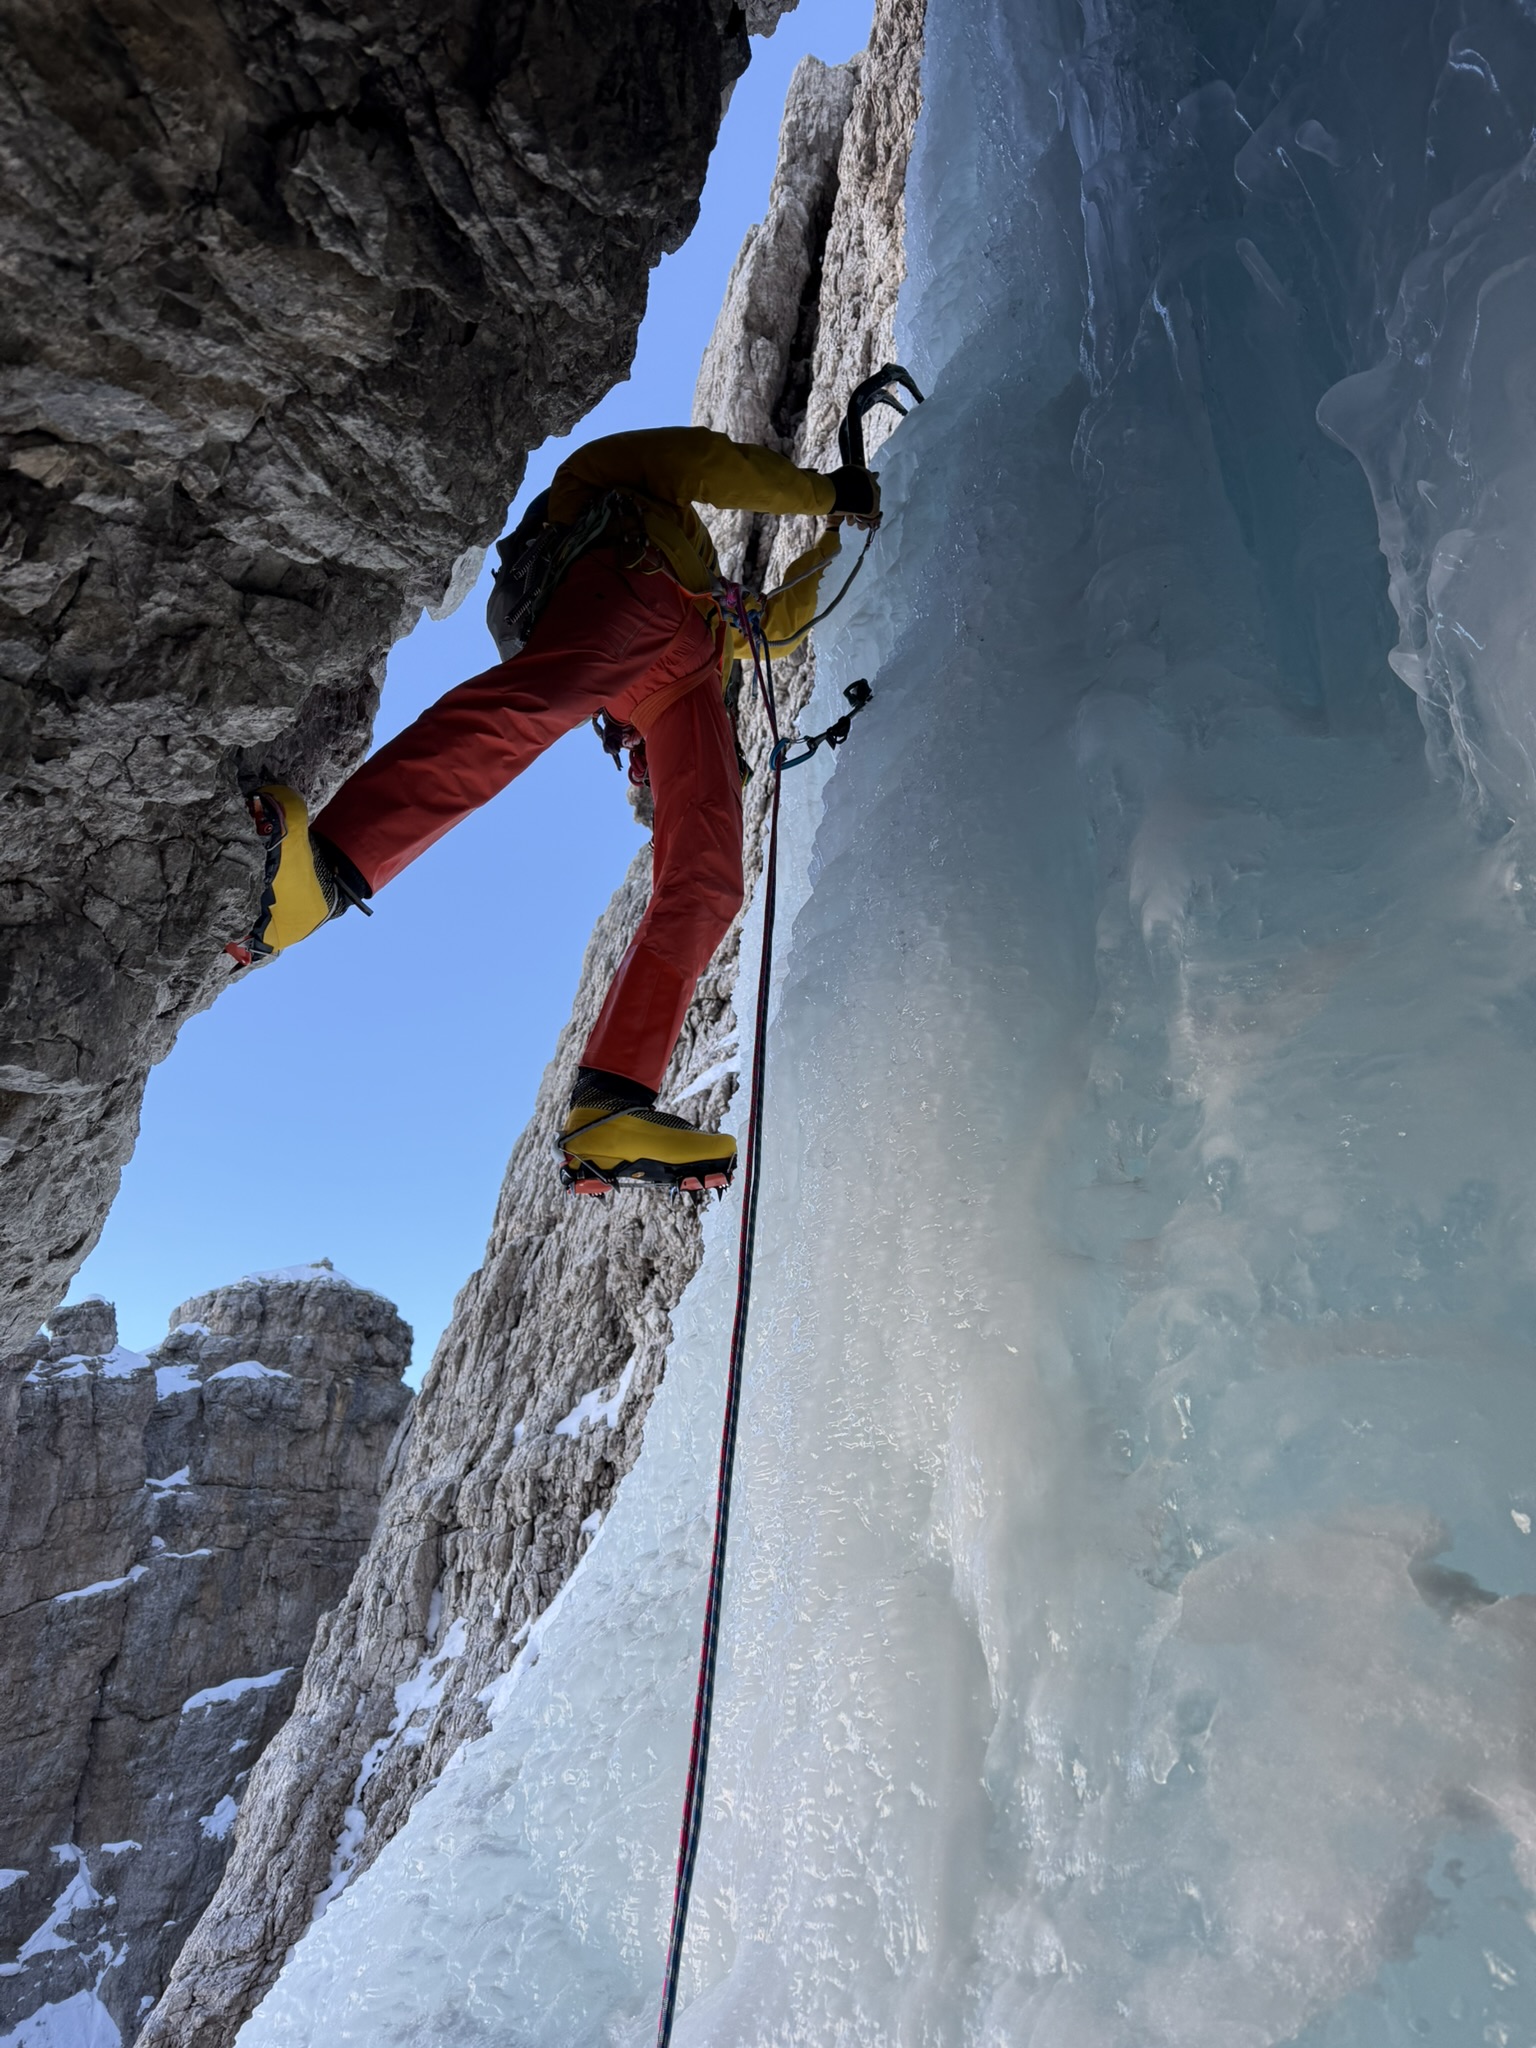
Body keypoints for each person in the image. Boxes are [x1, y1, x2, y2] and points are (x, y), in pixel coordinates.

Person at [226, 427, 881, 1190]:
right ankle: (319, 882)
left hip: (680, 676)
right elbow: (701, 462)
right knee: (535, 706)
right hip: (630, 592)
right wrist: (828, 493)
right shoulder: (598, 482)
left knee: (709, 877)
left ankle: (613, 1103)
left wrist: (844, 534)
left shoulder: (717, 617)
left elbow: (777, 625)